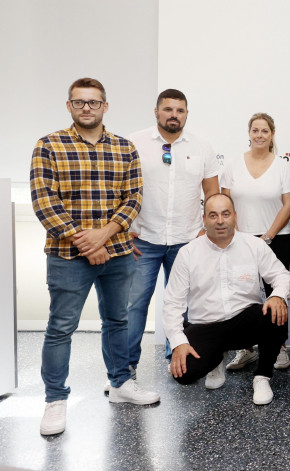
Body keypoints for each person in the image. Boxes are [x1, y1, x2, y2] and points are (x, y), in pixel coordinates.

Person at [32, 77, 160, 436]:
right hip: (67, 255)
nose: (86, 107)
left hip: (117, 252)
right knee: (61, 328)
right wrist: (85, 241)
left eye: (93, 102)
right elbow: (45, 202)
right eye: (79, 102)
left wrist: (104, 234)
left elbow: (133, 197)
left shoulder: (125, 148)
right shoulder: (49, 146)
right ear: (69, 106)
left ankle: (121, 384)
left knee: (118, 321)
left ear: (105, 106)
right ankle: (55, 400)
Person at [125, 89, 220, 379]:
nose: (173, 115)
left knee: (189, 306)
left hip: (188, 239)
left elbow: (212, 192)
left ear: (186, 114)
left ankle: (184, 359)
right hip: (143, 239)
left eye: (179, 110)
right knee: (135, 306)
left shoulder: (202, 145)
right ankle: (125, 369)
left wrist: (206, 229)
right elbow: (119, 187)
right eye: (167, 109)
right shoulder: (134, 143)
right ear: (156, 112)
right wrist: (124, 228)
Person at [164, 194, 290, 405]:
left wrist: (277, 295)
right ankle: (216, 359)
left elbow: (281, 276)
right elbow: (172, 304)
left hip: (244, 320)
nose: (220, 221)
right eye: (213, 215)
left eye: (225, 214)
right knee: (183, 374)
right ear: (204, 220)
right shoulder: (188, 253)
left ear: (235, 216)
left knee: (276, 312)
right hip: (206, 325)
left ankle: (262, 377)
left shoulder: (254, 245)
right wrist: (178, 343)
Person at [221, 112, 290, 372]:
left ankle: (280, 348)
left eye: (265, 130)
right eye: (255, 130)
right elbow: (225, 203)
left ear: (272, 134)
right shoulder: (232, 165)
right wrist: (238, 234)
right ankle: (247, 349)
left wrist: (268, 237)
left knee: (277, 293)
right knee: (243, 295)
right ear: (249, 133)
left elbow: (289, 205)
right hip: (239, 238)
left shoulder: (282, 165)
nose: (260, 135)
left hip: (275, 238)